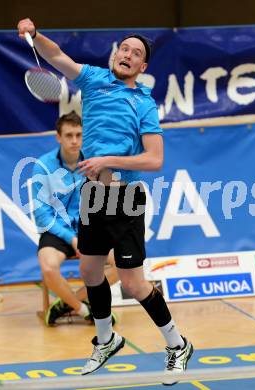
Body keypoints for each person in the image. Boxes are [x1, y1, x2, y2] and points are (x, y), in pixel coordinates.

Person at [18, 20, 193, 384]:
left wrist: (106, 161)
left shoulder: (143, 103)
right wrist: (34, 35)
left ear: (142, 68)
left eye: (137, 54)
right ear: (116, 55)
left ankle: (177, 344)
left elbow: (154, 159)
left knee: (133, 284)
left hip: (125, 197)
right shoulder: (94, 79)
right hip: (92, 195)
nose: (128, 55)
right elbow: (56, 57)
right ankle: (106, 339)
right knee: (89, 271)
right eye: (124, 49)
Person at [32, 111, 119, 326]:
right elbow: (42, 214)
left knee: (126, 261)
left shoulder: (96, 164)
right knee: (49, 267)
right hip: (57, 231)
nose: (74, 141)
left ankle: (68, 303)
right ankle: (83, 310)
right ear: (58, 137)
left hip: (91, 229)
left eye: (79, 135)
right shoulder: (43, 166)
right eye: (69, 135)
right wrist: (72, 239)